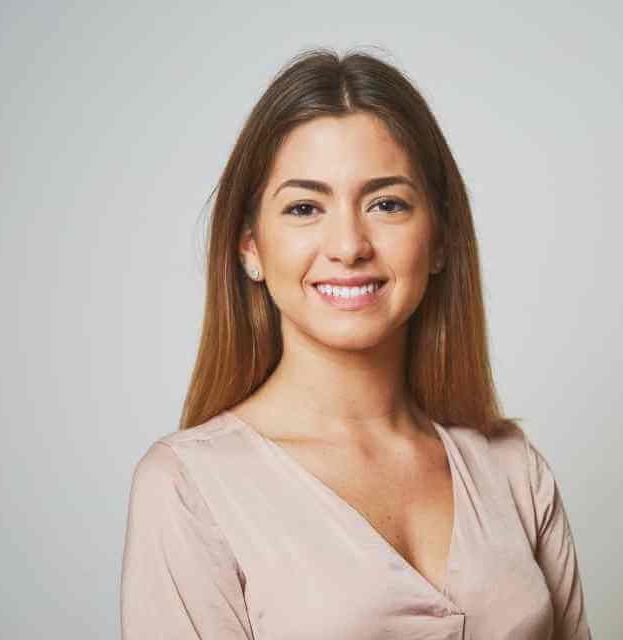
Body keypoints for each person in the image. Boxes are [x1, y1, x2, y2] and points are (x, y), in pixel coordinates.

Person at [119, 47, 593, 639]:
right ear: (250, 247)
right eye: (304, 207)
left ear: (441, 239)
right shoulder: (189, 486)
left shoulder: (513, 469)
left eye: (386, 204)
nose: (348, 246)